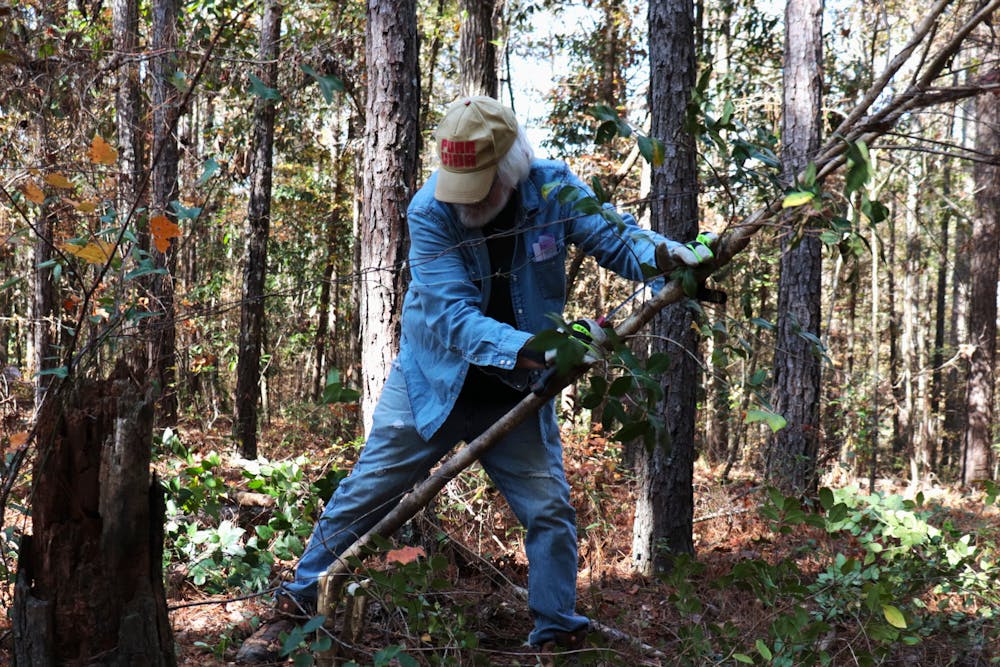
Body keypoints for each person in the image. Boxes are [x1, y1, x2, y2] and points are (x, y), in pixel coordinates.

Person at [237, 95, 715, 664]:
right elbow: (452, 320)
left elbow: (616, 238)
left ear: (511, 168)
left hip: (514, 394)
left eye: (482, 183)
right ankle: (294, 608)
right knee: (362, 498)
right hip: (431, 384)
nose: (469, 198)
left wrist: (672, 258)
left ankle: (556, 632)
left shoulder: (553, 188)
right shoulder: (429, 210)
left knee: (549, 511)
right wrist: (544, 349)